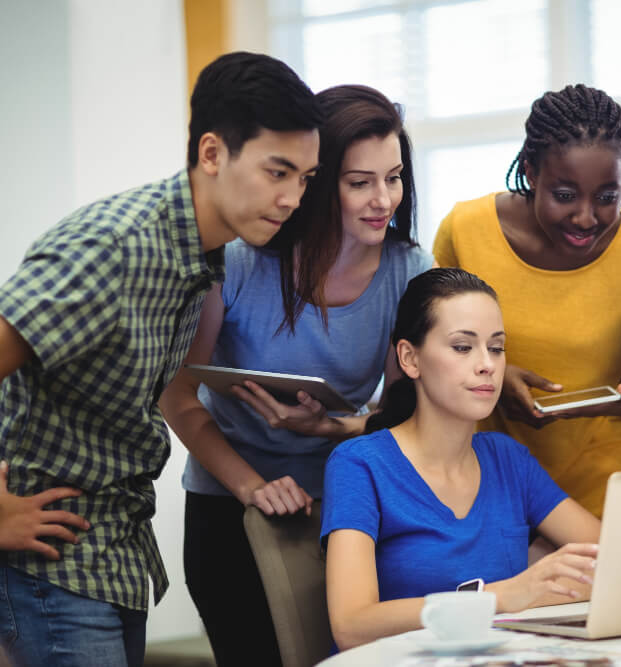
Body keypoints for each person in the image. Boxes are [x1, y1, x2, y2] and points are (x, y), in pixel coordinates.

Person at [0, 52, 322, 666]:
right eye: (277, 172)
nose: (292, 198)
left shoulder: (205, 255)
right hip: (45, 550)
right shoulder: (115, 245)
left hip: (112, 544)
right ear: (211, 154)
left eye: (305, 178)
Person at [159, 84, 432, 666]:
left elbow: (402, 417)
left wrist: (331, 428)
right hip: (228, 506)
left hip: (346, 507)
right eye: (359, 182)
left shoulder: (409, 270)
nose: (383, 199)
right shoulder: (238, 259)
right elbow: (177, 396)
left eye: (394, 178)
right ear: (315, 183)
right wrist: (251, 487)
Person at [321, 268, 602, 650]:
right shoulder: (359, 464)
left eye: (496, 348)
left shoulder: (508, 459)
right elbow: (351, 625)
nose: (487, 364)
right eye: (462, 347)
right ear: (410, 358)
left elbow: (614, 559)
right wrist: (499, 597)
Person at [433, 84, 621, 518]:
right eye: (564, 196)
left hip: (608, 461)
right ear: (530, 171)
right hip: (487, 463)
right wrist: (496, 378)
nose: (586, 218)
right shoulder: (466, 230)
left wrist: (610, 403)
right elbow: (426, 352)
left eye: (607, 198)